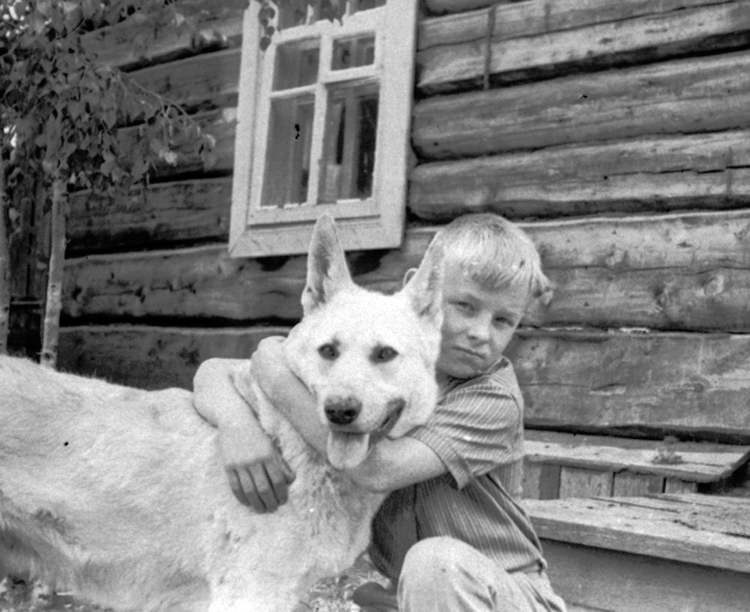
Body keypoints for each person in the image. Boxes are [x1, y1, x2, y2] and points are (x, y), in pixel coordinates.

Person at [193, 213, 567, 612]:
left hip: (505, 594)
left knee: (434, 563)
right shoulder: (378, 349)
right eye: (464, 306)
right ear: (424, 293)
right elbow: (213, 372)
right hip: (414, 595)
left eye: (503, 320)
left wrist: (275, 375)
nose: (480, 332)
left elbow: (377, 471)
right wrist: (238, 425)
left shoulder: (492, 399)